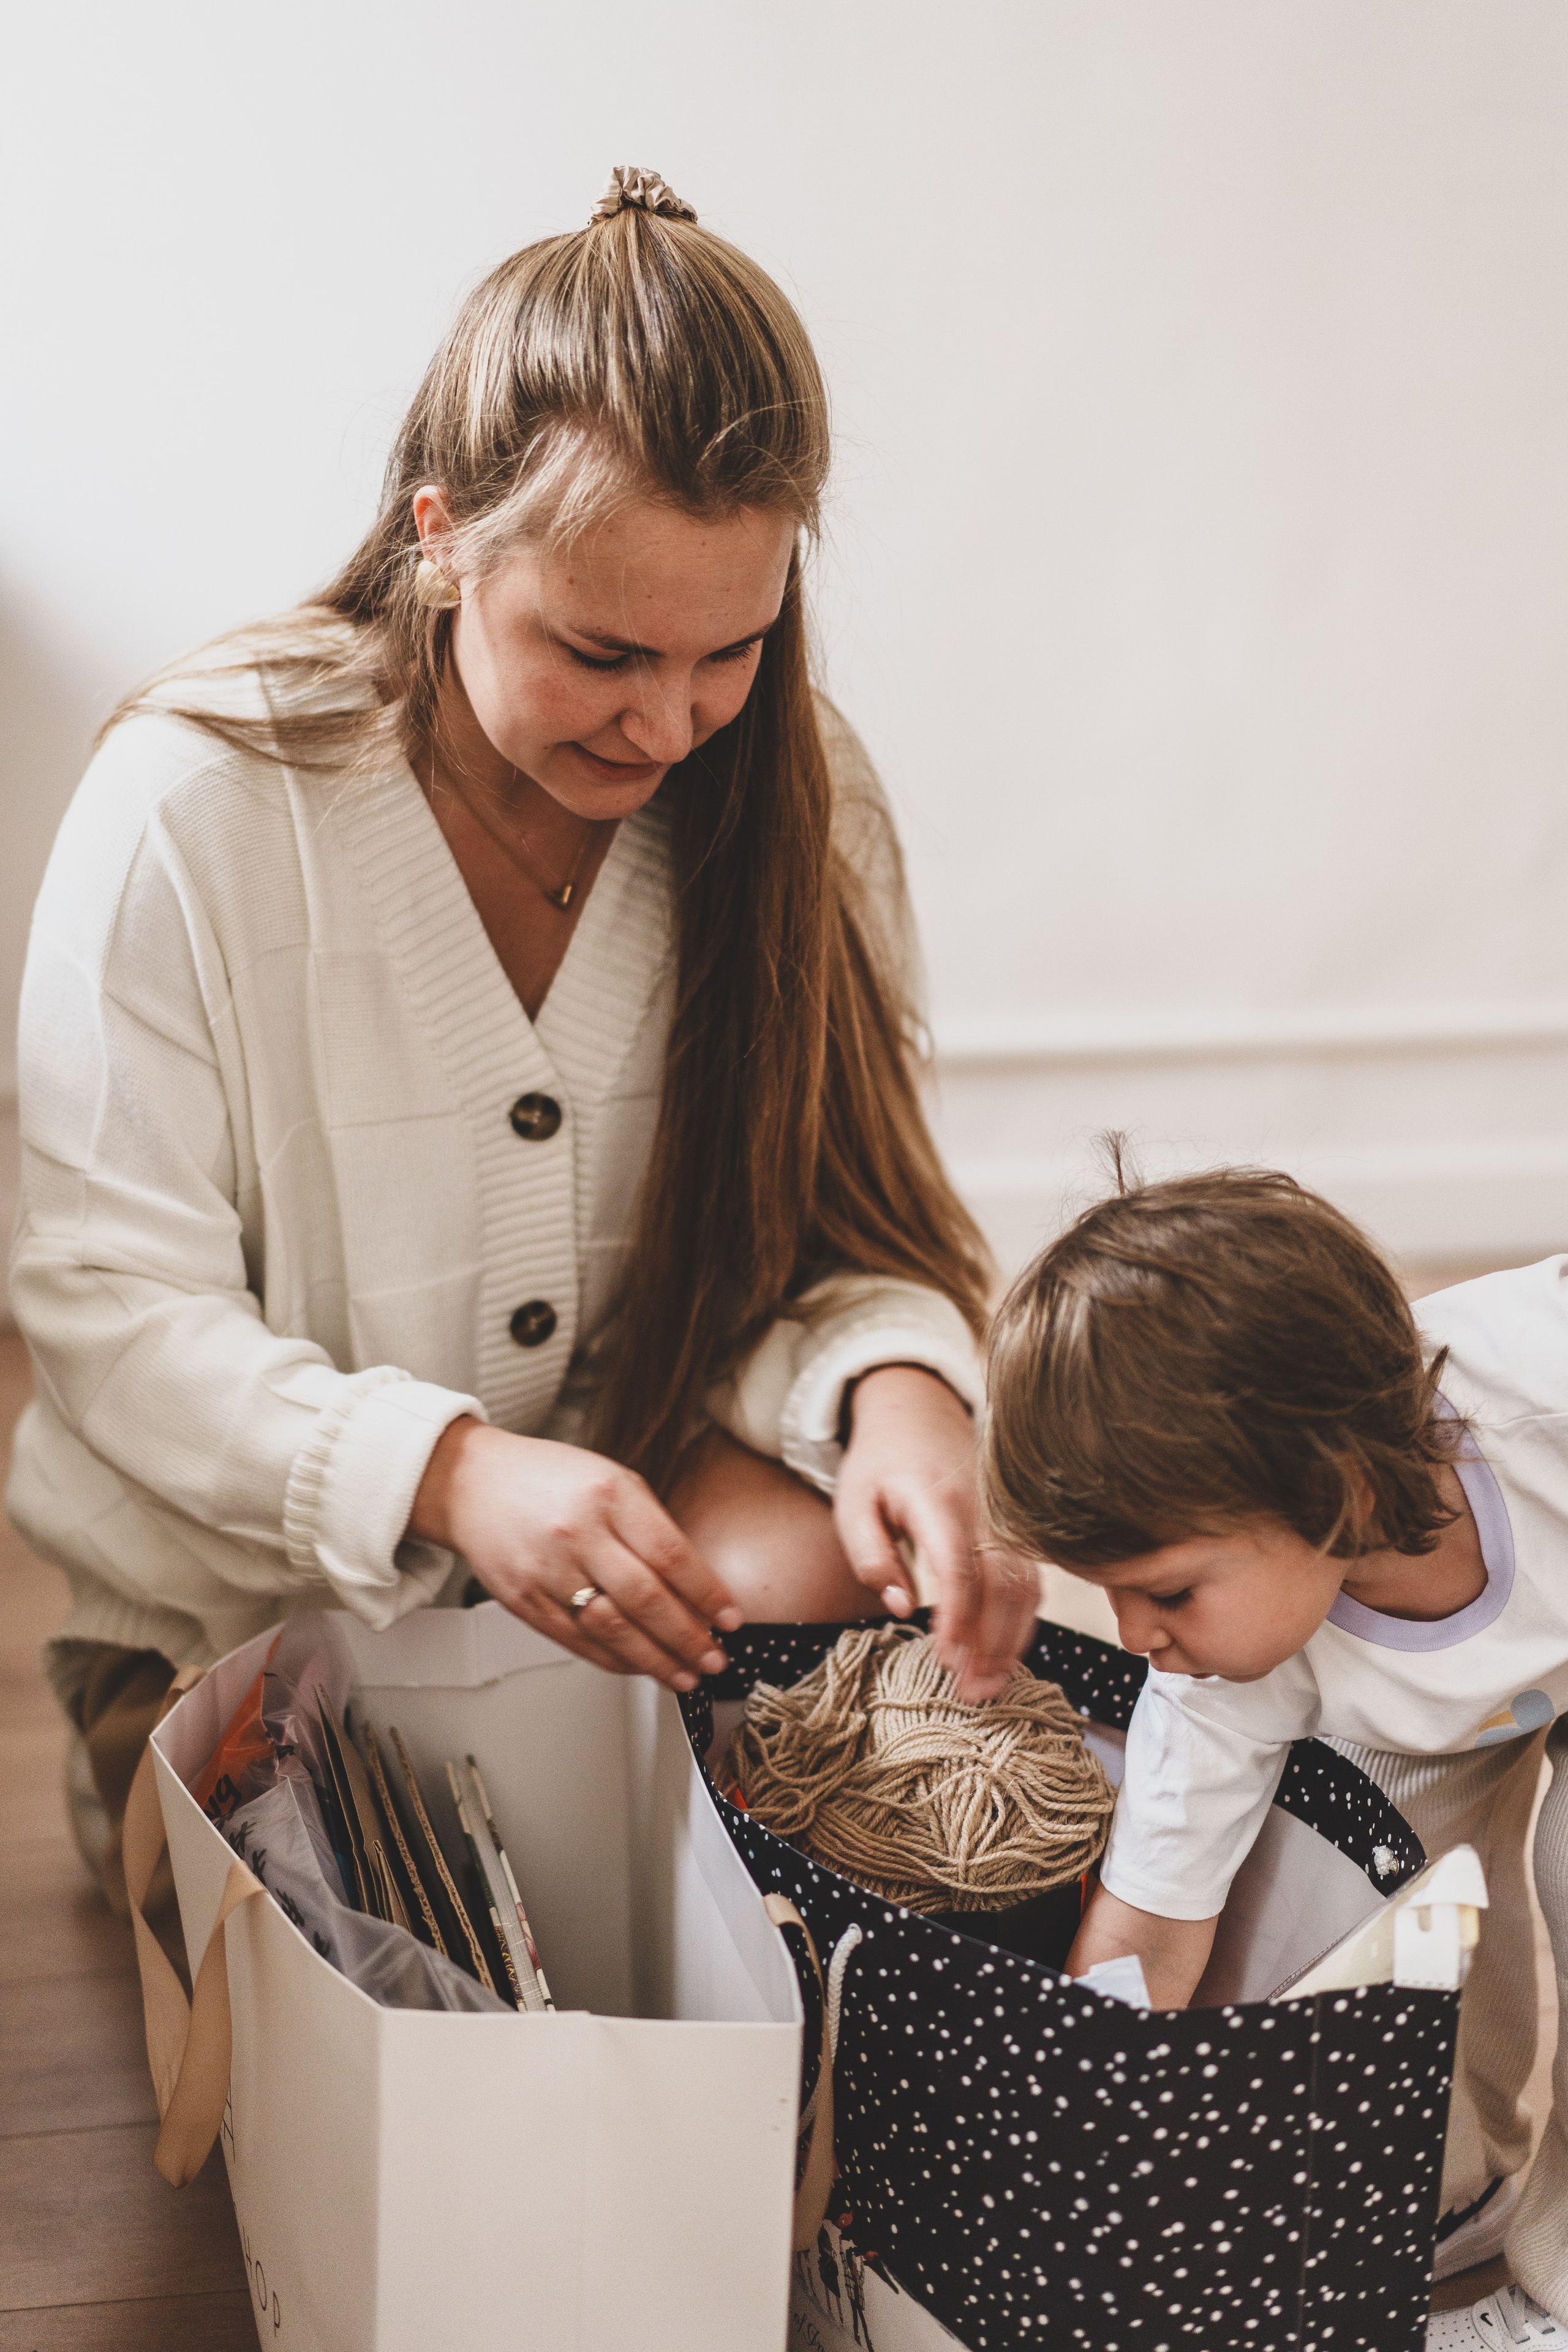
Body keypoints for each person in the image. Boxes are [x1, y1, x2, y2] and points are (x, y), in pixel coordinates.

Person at [7, 165, 1038, 1975]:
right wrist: (444, 1472)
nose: (669, 723)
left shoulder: (792, 799)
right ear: (442, 539)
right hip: (235, 1613)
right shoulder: (197, 803)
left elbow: (841, 1237)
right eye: (600, 650)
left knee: (813, 1605)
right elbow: (105, 1310)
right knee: (403, 1957)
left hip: (616, 1561)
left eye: (731, 651)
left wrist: (898, 1390)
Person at [983, 1165, 1568, 2352]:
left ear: (1333, 1490)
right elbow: (1150, 1928)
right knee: (1385, 1899)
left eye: (1165, 1592)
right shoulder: (1219, 1676)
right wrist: (1090, 2130)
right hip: (1415, 1722)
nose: (1133, 1637)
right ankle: (1455, 2196)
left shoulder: (1542, 1396)